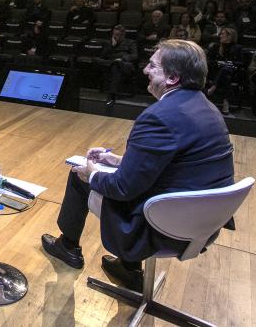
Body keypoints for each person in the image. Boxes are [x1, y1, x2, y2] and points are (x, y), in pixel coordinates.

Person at [41, 40, 235, 290]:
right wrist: (118, 160)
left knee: (79, 174)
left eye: (153, 66)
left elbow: (123, 188)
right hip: (204, 223)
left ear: (173, 77)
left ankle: (67, 247)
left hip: (163, 226)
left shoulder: (158, 117)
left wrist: (92, 174)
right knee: (109, 175)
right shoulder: (207, 108)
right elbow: (174, 166)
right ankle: (128, 268)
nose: (145, 70)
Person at [95, 25, 138, 106]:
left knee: (116, 65)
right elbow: (102, 56)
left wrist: (122, 59)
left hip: (125, 65)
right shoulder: (110, 43)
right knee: (96, 60)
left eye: (117, 35)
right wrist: (111, 46)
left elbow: (135, 55)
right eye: (114, 34)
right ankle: (112, 63)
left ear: (123, 35)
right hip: (111, 63)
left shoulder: (131, 42)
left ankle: (112, 95)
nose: (115, 36)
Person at [205, 28, 243, 114]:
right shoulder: (216, 46)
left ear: (230, 36)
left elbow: (241, 62)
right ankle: (226, 104)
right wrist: (218, 63)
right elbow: (209, 60)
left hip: (232, 71)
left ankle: (212, 89)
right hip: (216, 71)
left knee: (226, 70)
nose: (220, 36)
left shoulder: (238, 48)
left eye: (223, 34)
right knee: (226, 76)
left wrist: (231, 62)